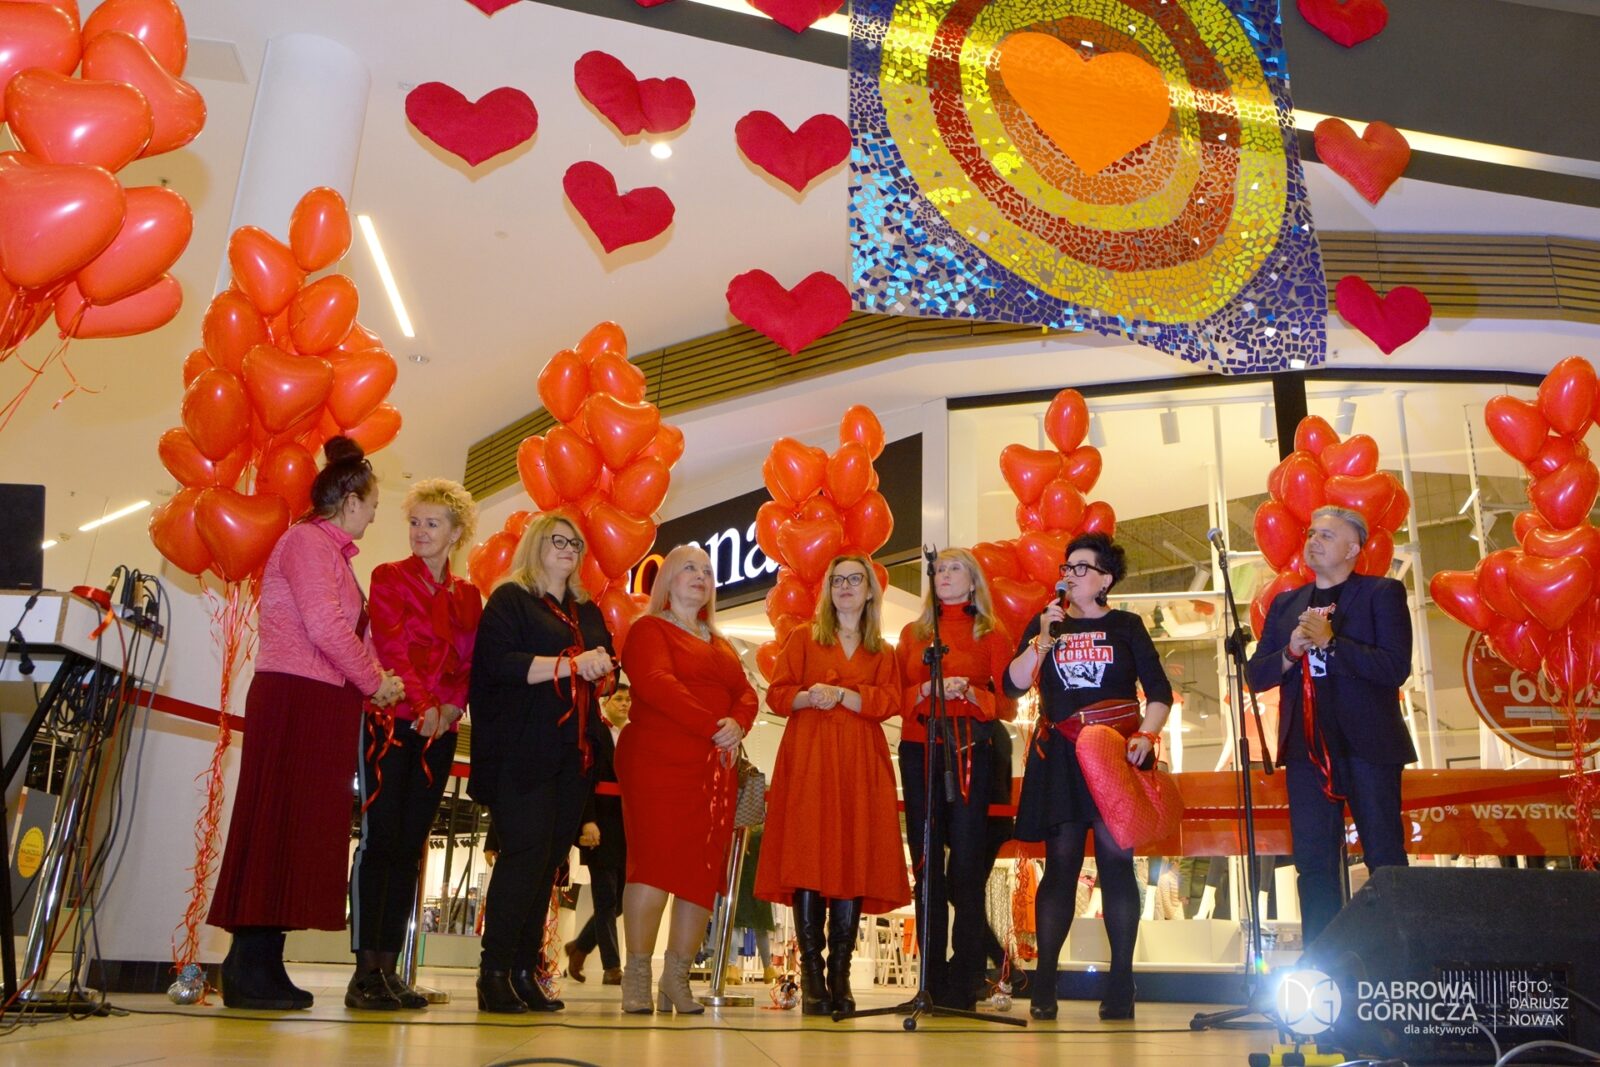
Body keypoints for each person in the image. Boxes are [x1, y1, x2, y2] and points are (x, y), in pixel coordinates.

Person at [209, 436, 404, 1010]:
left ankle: (261, 962)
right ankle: (250, 965)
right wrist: (373, 681)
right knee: (277, 821)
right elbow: (324, 625)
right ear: (350, 501)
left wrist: (380, 678)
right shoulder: (307, 542)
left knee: (296, 829)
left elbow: (349, 631)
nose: (374, 514)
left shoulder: (331, 553)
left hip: (321, 699)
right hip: (297, 696)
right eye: (372, 504)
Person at [1004, 531, 1172, 1021]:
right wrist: (1042, 639)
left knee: (1118, 863)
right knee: (1062, 864)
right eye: (1067, 567)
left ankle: (1122, 979)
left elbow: (1158, 692)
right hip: (1062, 754)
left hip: (1114, 753)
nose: (1070, 575)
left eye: (1082, 568)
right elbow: (1012, 685)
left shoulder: (1126, 625)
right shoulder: (1047, 622)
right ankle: (1045, 979)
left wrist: (1147, 735)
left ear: (1105, 579)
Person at [1246, 505, 1415, 948]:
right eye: (1311, 533)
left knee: (1383, 855)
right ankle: (1322, 959)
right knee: (1313, 862)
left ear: (1353, 549)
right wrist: (1290, 652)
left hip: (1368, 745)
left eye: (1326, 535)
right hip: (1306, 750)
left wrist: (1332, 643)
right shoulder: (1286, 604)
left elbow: (1395, 667)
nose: (1313, 541)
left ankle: (1395, 955)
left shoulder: (1381, 593)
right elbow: (1256, 674)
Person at [468, 514, 617, 1014]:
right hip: (523, 751)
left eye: (576, 543)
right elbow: (498, 665)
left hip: (573, 756)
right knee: (523, 858)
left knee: (548, 863)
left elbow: (608, 671)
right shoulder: (511, 599)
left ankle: (523, 972)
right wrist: (571, 665)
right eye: (558, 540)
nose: (569, 548)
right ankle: (493, 973)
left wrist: (604, 673)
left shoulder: (585, 610)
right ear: (535, 544)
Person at [348, 478, 483, 1011]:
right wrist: (426, 704)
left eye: (432, 523)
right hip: (391, 722)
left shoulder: (468, 595)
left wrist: (450, 708)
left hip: (439, 729)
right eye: (415, 521)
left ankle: (390, 970)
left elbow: (469, 661)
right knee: (380, 842)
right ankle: (365, 973)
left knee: (410, 848)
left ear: (456, 533)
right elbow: (392, 643)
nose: (421, 531)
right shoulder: (389, 576)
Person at [755, 553, 909, 1015]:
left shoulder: (883, 651)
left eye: (854, 579)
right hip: (809, 755)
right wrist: (809, 696)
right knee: (807, 852)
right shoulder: (804, 637)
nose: (845, 587)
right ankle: (811, 973)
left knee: (852, 854)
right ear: (827, 590)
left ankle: (840, 971)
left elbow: (890, 701)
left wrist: (842, 693)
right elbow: (777, 694)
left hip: (860, 760)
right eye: (837, 580)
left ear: (869, 591)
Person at [616, 545, 759, 1014]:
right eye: (689, 569)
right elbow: (656, 683)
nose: (701, 576)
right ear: (668, 580)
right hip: (658, 762)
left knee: (701, 874)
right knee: (653, 865)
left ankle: (675, 979)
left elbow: (746, 693)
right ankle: (637, 975)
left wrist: (737, 723)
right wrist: (714, 725)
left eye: (708, 571)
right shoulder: (648, 629)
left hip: (713, 768)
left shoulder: (721, 642)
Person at [896, 548, 1013, 1011]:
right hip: (919, 750)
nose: (944, 574)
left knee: (966, 868)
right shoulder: (913, 633)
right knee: (925, 867)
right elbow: (893, 696)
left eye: (954, 568)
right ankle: (929, 981)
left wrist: (973, 693)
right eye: (939, 568)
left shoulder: (992, 632)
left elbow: (1008, 704)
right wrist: (927, 689)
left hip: (969, 751)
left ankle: (966, 980)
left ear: (973, 580)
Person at [564, 684, 630, 986]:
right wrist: (587, 821)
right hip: (598, 825)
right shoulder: (595, 733)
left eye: (628, 699)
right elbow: (585, 779)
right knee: (605, 899)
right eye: (619, 698)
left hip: (625, 826)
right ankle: (612, 967)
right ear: (605, 703)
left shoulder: (631, 736)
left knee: (620, 901)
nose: (625, 704)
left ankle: (579, 946)